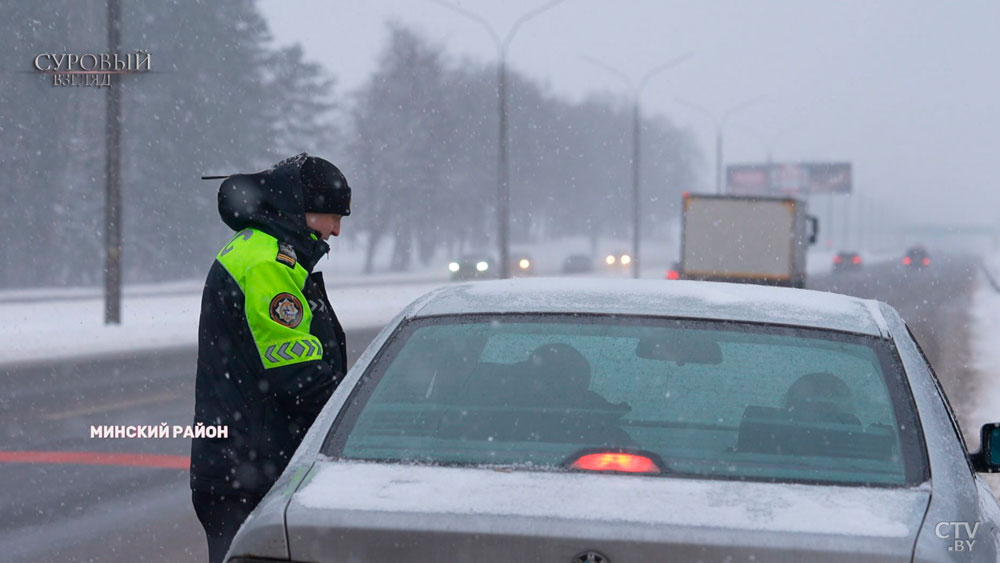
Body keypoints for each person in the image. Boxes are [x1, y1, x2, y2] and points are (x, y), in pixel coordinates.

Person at [189, 153, 351, 563]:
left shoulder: (264, 249)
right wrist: (353, 420)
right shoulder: (268, 263)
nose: (336, 229)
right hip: (251, 473)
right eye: (331, 215)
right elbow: (298, 376)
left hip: (240, 466)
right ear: (298, 209)